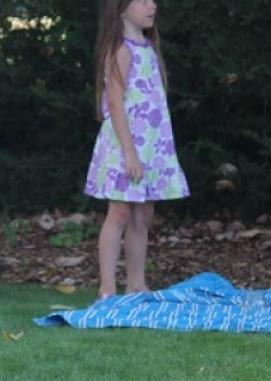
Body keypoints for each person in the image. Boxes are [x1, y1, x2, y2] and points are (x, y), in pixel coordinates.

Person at [85, 0, 189, 297]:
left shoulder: (148, 48)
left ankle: (136, 284)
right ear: (120, 9)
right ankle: (107, 288)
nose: (152, 5)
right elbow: (116, 104)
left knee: (143, 216)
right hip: (126, 145)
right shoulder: (121, 50)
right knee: (118, 213)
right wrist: (129, 152)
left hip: (149, 146)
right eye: (142, 1)